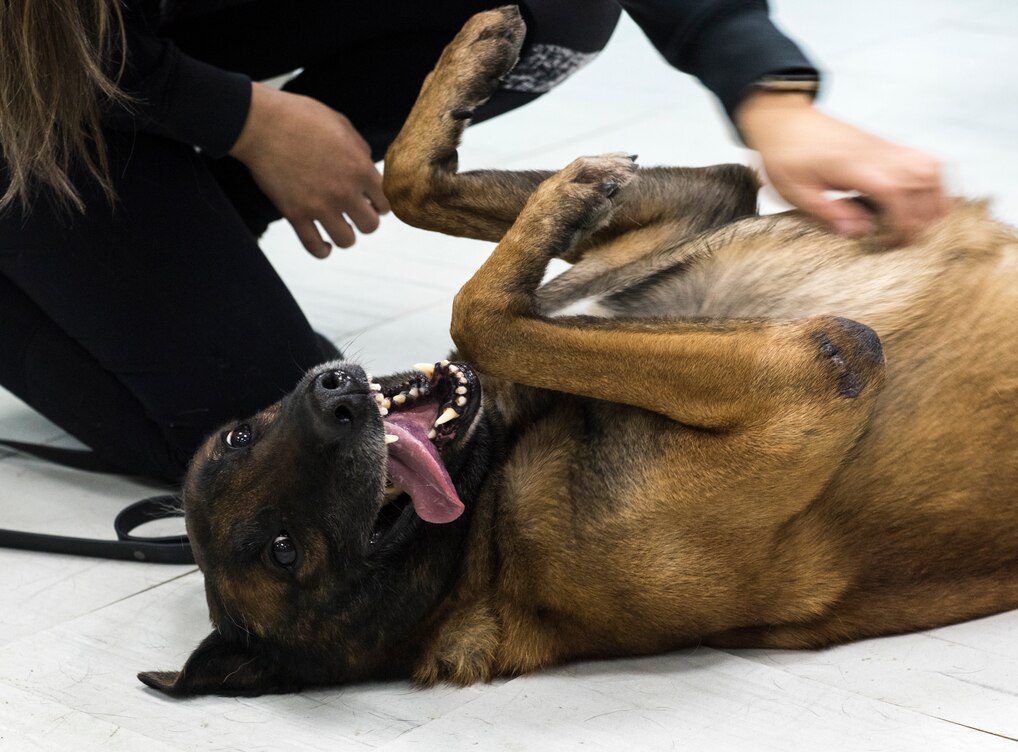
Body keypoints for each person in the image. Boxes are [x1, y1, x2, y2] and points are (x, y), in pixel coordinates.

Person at [0, 0, 945, 481]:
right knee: (282, 447)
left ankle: (158, 225)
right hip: (29, 78)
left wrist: (769, 96)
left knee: (554, 10)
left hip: (136, 48)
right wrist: (242, 117)